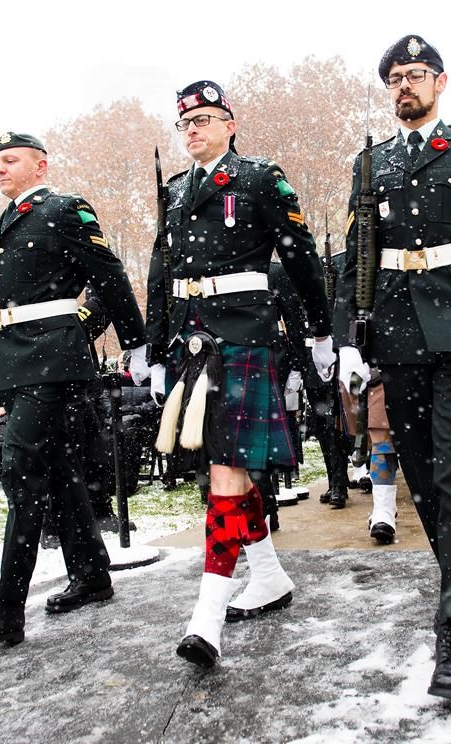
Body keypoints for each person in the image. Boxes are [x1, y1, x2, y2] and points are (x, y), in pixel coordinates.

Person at [334, 35, 451, 704]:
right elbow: (357, 252)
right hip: (399, 332)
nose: (403, 86)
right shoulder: (369, 163)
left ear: (440, 81)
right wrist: (351, 333)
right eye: (395, 78)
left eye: (415, 75)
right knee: (423, 472)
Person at [145, 82, 333, 668]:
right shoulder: (176, 192)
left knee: (224, 477)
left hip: (243, 338)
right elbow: (161, 270)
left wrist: (322, 331)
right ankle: (270, 576)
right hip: (191, 341)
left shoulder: (258, 177)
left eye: (204, 119)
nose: (194, 130)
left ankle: (207, 619)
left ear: (230, 124)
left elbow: (299, 254)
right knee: (225, 472)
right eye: (186, 123)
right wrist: (152, 349)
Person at [0, 132, 148, 645]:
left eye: (10, 160)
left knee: (21, 469)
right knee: (58, 468)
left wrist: (136, 343)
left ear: (40, 166)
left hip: (52, 359)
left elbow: (108, 276)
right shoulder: (4, 222)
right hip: (15, 359)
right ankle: (90, 574)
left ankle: (7, 607)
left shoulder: (64, 209)